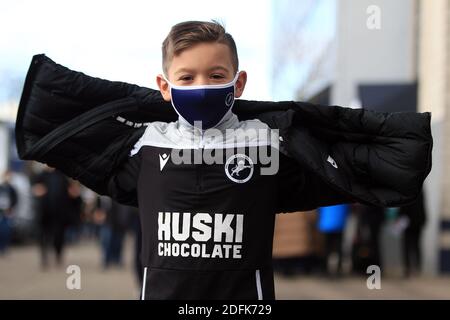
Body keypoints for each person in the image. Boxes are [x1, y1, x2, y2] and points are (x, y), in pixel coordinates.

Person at [15, 21, 432, 300]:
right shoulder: (142, 145)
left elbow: (335, 167)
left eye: (216, 76)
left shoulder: (268, 143)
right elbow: (86, 159)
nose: (202, 86)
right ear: (164, 87)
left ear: (238, 82)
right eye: (187, 78)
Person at [31, 166, 82, 269]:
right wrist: (36, 191)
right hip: (44, 213)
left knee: (59, 237)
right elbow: (34, 190)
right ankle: (44, 258)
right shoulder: (40, 176)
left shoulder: (62, 176)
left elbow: (73, 193)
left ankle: (58, 255)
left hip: (59, 214)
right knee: (43, 237)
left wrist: (74, 194)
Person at [398, 190, 426, 277]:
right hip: (417, 221)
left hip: (409, 222)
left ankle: (409, 268)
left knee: (408, 246)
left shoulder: (407, 191)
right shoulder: (420, 190)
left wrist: (400, 217)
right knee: (415, 245)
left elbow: (404, 207)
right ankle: (416, 268)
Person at [317, 204, 350, 277]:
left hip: (326, 223)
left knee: (326, 247)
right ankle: (339, 268)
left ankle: (324, 268)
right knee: (339, 247)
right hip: (339, 222)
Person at [0, 170, 18, 255]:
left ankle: (5, 248)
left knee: (7, 231)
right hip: (1, 212)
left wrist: (10, 208)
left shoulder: (12, 188)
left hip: (8, 213)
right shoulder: (1, 187)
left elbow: (15, 200)